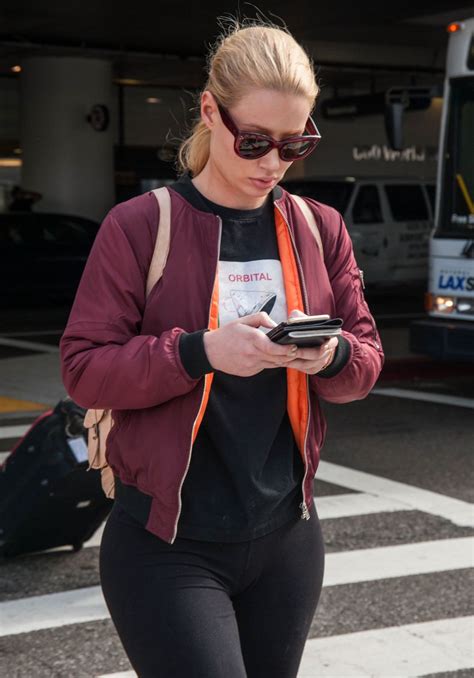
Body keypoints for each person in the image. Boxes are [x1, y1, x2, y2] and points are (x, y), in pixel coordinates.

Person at [60, 19, 384, 678]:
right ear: (210, 112)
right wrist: (200, 351)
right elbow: (84, 370)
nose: (272, 163)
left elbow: (366, 360)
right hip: (166, 545)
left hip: (287, 539)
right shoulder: (141, 227)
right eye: (255, 140)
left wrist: (330, 357)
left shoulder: (319, 229)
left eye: (295, 144)